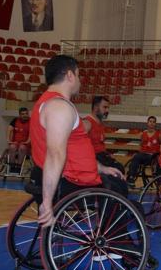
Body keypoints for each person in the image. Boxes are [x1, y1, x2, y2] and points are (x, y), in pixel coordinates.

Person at [30, 55, 127, 228]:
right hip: (72, 181)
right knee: (119, 190)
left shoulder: (49, 102)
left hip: (70, 175)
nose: (80, 80)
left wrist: (102, 168)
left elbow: (76, 149)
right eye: (78, 74)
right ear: (69, 75)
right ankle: (112, 247)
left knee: (114, 177)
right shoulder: (59, 107)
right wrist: (47, 201)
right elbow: (55, 155)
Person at [82, 96, 126, 174]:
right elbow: (80, 146)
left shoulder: (100, 123)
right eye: (105, 107)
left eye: (108, 108)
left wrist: (108, 154)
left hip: (102, 155)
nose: (107, 110)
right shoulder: (87, 123)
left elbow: (99, 144)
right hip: (93, 158)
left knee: (120, 168)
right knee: (117, 171)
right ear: (96, 107)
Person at [126, 116, 161, 186]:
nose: (152, 123)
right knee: (136, 157)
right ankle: (131, 177)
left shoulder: (159, 134)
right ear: (147, 123)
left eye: (153, 122)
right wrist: (137, 153)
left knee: (157, 159)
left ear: (155, 124)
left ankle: (160, 179)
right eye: (150, 121)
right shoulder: (143, 134)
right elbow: (141, 146)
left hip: (153, 156)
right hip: (143, 154)